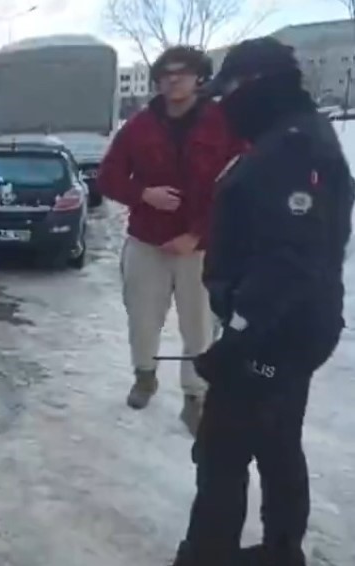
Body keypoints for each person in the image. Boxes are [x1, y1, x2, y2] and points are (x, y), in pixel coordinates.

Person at [173, 37, 352, 566]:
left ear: (254, 85)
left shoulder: (293, 147)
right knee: (276, 443)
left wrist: (241, 339)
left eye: (227, 92)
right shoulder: (292, 136)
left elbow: (289, 258)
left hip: (276, 331)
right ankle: (281, 552)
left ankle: (209, 555)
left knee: (222, 450)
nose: (224, 106)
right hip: (288, 325)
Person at [97, 46, 244, 434]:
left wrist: (198, 233)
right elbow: (107, 176)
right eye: (165, 73)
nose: (172, 79)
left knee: (199, 326)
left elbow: (238, 185)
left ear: (199, 78)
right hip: (147, 242)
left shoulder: (223, 124)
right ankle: (145, 376)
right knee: (142, 320)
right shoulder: (139, 127)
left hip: (200, 247)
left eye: (182, 72)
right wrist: (143, 194)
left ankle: (195, 398)